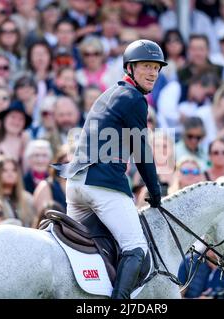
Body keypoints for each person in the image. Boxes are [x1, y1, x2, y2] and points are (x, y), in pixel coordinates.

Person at [57, 39, 167, 299]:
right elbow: (142, 151)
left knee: (92, 248)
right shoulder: (134, 99)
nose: (153, 72)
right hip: (101, 185)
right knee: (137, 248)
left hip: (76, 184)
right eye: (146, 66)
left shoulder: (110, 93)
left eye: (156, 68)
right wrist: (155, 191)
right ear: (129, 67)